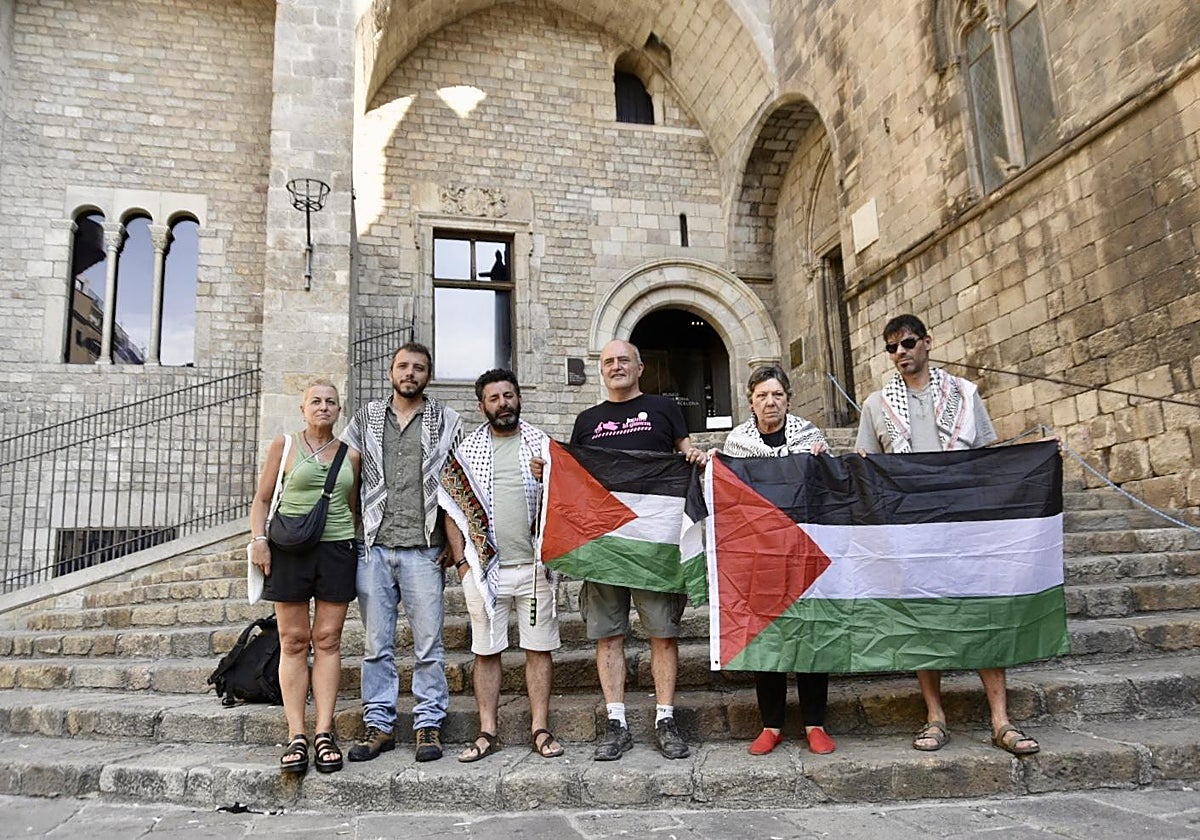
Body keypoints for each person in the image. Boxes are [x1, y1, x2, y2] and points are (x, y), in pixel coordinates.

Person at [855, 313, 1039, 756]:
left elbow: (987, 457)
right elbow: (865, 463)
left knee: (981, 613)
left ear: (928, 343)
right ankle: (934, 716)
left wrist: (1038, 459)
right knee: (923, 619)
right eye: (892, 347)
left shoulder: (964, 393)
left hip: (964, 525)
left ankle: (1001, 719)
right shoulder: (876, 405)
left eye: (908, 343)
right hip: (911, 531)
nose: (901, 353)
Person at [569, 339, 708, 761]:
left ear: (640, 367)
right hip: (606, 546)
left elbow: (685, 453)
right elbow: (574, 475)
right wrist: (549, 468)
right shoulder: (587, 420)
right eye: (609, 361)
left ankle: (665, 718)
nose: (616, 367)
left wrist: (695, 457)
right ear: (601, 369)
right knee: (608, 634)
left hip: (654, 545)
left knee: (662, 632)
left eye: (624, 360)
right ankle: (617, 722)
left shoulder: (664, 409)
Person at [341, 343, 463, 763]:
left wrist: (454, 541)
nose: (410, 373)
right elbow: (348, 479)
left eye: (419, 368)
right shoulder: (366, 419)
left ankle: (428, 725)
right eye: (403, 366)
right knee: (377, 645)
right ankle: (379, 726)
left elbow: (457, 486)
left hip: (424, 550)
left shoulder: (448, 421)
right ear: (391, 371)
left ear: (428, 375)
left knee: (429, 645)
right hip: (374, 548)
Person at [440, 369, 563, 762]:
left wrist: (551, 478)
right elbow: (453, 510)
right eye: (494, 398)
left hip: (534, 569)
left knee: (538, 649)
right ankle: (487, 730)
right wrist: (462, 564)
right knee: (486, 651)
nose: (503, 403)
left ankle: (539, 728)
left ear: (519, 398)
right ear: (482, 406)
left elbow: (565, 500)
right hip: (484, 570)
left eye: (508, 395)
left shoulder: (543, 446)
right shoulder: (468, 451)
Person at [722, 364, 836, 756]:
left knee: (810, 636)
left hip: (804, 552)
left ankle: (814, 723)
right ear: (750, 402)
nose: (770, 402)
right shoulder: (737, 443)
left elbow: (832, 489)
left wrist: (825, 460)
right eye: (762, 396)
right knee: (767, 639)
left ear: (788, 399)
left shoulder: (810, 436)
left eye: (777, 395)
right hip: (760, 557)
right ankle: (771, 725)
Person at [248, 379, 361, 775]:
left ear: (339, 409)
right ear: (302, 408)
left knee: (328, 639)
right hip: (289, 550)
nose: (323, 407)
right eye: (316, 401)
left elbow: (353, 508)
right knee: (293, 640)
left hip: (336, 550)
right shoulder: (284, 447)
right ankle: (297, 733)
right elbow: (262, 500)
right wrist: (259, 541)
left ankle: (325, 731)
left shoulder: (351, 456)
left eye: (331, 402)